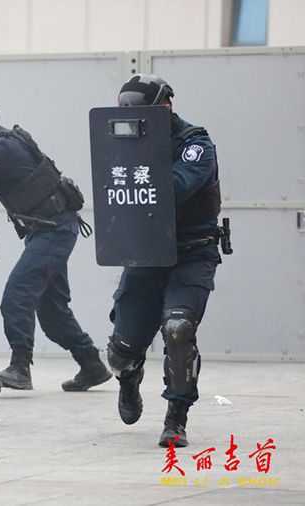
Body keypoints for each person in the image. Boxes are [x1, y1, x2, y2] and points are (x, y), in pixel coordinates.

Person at [0, 94, 112, 397]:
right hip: (47, 229)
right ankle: (91, 364)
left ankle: (20, 367)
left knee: (16, 295)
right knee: (52, 311)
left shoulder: (0, 148)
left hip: (54, 229)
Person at [107, 74, 223, 447]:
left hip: (192, 251)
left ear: (165, 109)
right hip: (146, 251)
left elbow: (175, 187)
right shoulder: (124, 142)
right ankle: (129, 379)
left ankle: (176, 416)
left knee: (178, 328)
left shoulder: (195, 145)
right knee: (121, 353)